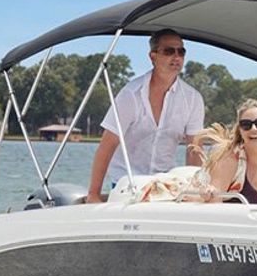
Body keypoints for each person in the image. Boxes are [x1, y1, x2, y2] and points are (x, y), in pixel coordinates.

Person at [86, 29, 205, 203]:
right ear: (153, 56)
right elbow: (107, 146)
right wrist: (93, 195)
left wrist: (197, 193)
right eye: (169, 51)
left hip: (167, 186)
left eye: (181, 51)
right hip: (126, 184)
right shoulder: (130, 95)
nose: (176, 56)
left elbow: (194, 151)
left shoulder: (193, 99)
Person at [190, 99, 257, 205]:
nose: (253, 129)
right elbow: (212, 205)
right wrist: (209, 194)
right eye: (246, 124)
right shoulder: (228, 161)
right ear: (240, 130)